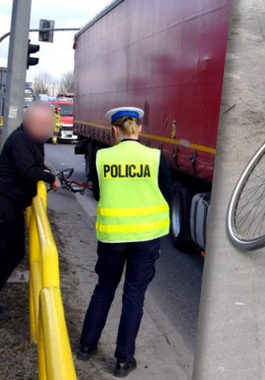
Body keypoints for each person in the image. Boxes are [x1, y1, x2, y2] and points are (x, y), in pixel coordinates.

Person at [78, 107, 171, 378]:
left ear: (114, 131)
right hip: (145, 238)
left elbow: (97, 191)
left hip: (112, 236)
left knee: (104, 289)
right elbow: (166, 193)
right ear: (139, 129)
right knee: (134, 296)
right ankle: (122, 360)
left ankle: (86, 346)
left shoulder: (102, 157)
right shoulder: (155, 157)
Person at [0, 101, 61, 321]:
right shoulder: (20, 139)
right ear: (30, 122)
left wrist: (45, 171)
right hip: (1, 204)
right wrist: (51, 178)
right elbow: (27, 170)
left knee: (15, 252)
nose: (48, 129)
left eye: (49, 124)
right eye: (43, 124)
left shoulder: (33, 139)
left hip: (11, 206)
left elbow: (34, 165)